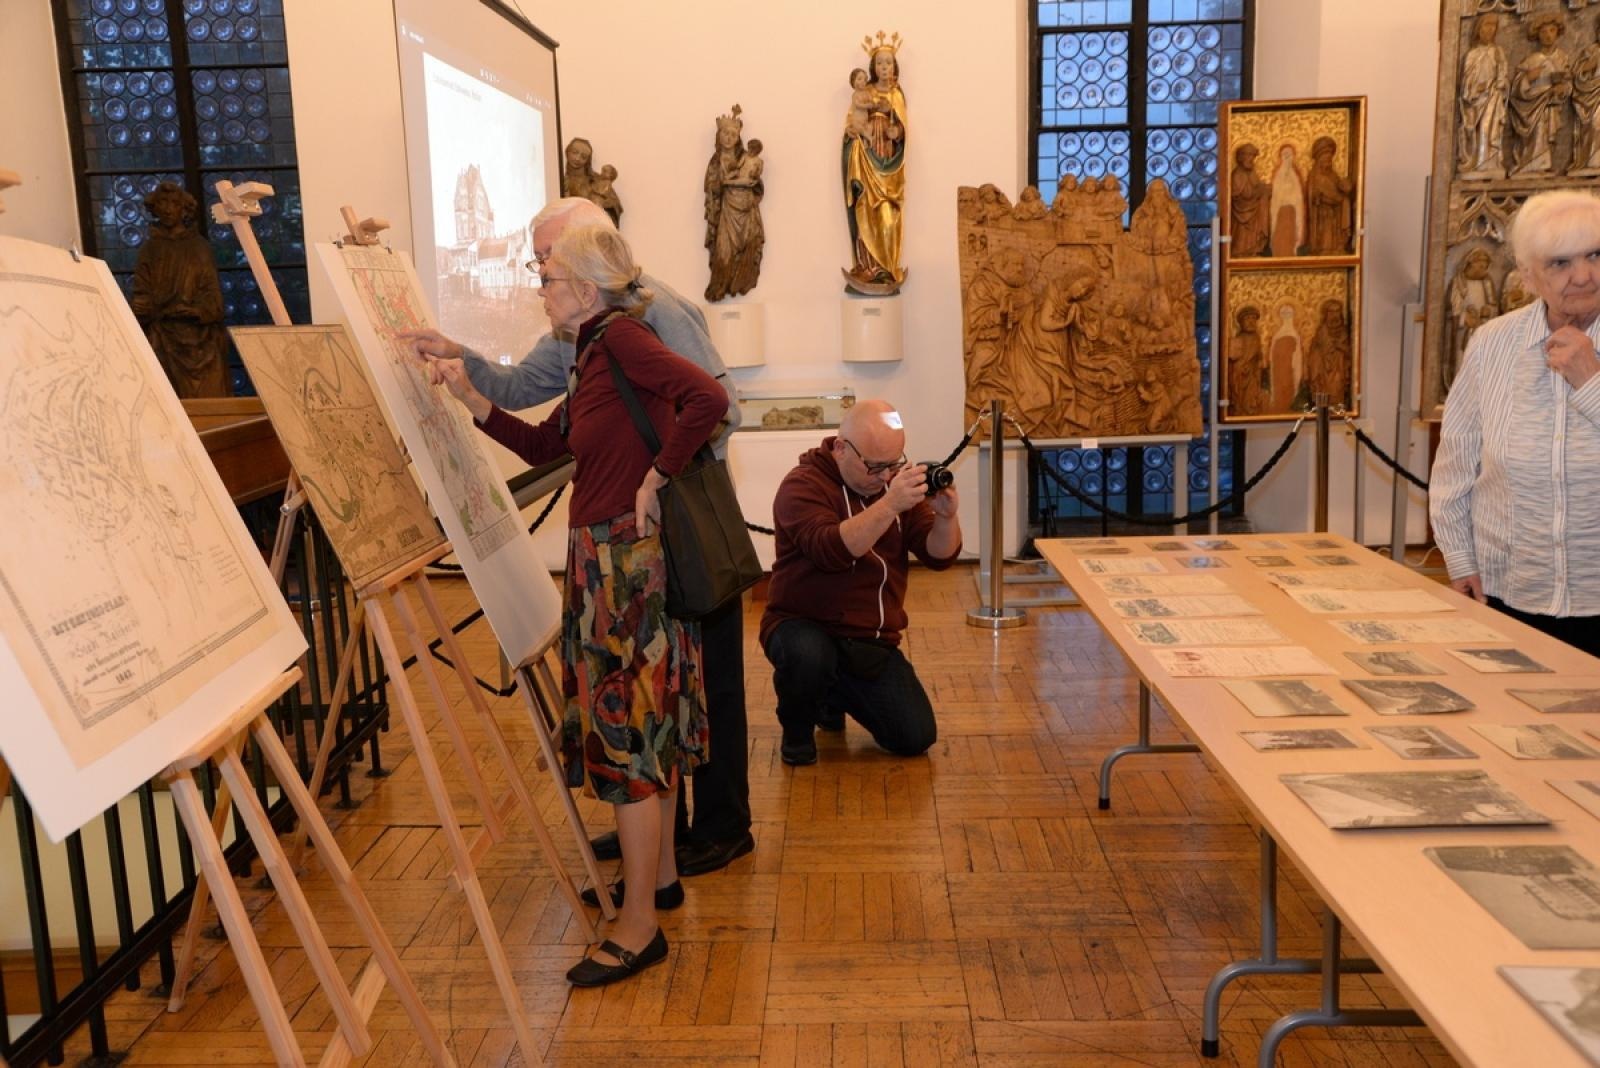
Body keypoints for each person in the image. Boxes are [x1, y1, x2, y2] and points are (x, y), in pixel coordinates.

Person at [401, 196, 755, 879]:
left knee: (699, 684)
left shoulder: (648, 318)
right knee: (660, 694)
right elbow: (527, 401)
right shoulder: (584, 336)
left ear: (588, 266)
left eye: (544, 262)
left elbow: (720, 404)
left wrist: (657, 476)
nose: (537, 276)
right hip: (627, 544)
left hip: (673, 534)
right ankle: (651, 838)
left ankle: (720, 826)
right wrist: (461, 364)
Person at [1431, 189, 1600, 658]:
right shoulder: (1493, 343)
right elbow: (1457, 460)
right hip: (1511, 590)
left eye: (1594, 255)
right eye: (1560, 263)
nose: (1583, 276)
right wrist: (1459, 557)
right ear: (1527, 275)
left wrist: (1591, 380)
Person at [760, 400, 962, 766]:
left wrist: (946, 518)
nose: (885, 477)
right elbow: (832, 550)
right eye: (875, 466)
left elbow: (938, 557)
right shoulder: (801, 485)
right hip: (803, 625)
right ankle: (798, 728)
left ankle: (832, 695)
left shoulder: (894, 487)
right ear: (840, 449)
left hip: (869, 640)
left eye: (895, 464)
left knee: (915, 736)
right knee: (808, 656)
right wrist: (889, 506)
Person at [131, 180, 230, 398]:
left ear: (184, 208)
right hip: (164, 338)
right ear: (154, 208)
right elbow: (141, 295)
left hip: (202, 340)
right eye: (162, 203)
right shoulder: (150, 250)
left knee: (211, 404)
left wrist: (196, 311)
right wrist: (146, 313)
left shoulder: (199, 247)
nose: (167, 209)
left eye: (174, 203)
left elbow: (213, 297)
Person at [842, 36, 908, 292]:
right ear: (873, 67)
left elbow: (904, 130)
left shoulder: (897, 95)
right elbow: (852, 125)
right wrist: (853, 134)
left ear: (894, 67)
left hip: (889, 160)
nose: (884, 68)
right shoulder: (864, 93)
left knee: (888, 214)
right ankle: (868, 266)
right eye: (879, 63)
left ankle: (888, 267)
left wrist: (898, 133)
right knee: (865, 207)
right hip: (868, 155)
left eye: (888, 63)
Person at [704, 104, 765, 302]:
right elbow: (712, 187)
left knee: (749, 243)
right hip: (727, 212)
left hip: (746, 208)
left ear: (738, 137)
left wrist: (753, 182)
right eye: (724, 133)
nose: (728, 138)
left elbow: (756, 181)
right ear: (718, 136)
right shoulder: (715, 161)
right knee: (723, 249)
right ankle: (721, 285)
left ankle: (740, 281)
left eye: (732, 134)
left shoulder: (747, 157)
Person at [1509, 14, 1572, 177]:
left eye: (1552, 30)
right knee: (1536, 134)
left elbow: (1569, 82)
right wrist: (1528, 78)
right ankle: (1531, 166)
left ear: (1558, 33)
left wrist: (1563, 88)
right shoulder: (1531, 59)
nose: (1548, 35)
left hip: (1551, 106)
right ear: (1537, 35)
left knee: (1548, 135)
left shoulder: (1562, 57)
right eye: (1543, 32)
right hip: (1533, 106)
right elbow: (1516, 87)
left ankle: (1545, 165)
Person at [1457, 13, 1510, 179]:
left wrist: (1500, 85)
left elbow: (1503, 75)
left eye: (1493, 26)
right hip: (1476, 102)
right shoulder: (1472, 55)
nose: (1489, 30)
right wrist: (1475, 89)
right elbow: (1465, 86)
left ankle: (1489, 163)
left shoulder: (1497, 52)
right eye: (1486, 26)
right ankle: (1477, 161)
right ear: (1478, 29)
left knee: (1490, 130)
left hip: (1493, 98)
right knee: (1479, 131)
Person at [1304, 137, 1355, 256]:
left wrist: (1344, 190)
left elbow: (1341, 187)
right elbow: (1313, 194)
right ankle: (1324, 249)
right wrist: (1331, 198)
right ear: (1320, 159)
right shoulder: (1315, 175)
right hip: (1323, 212)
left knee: (1333, 232)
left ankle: (1337, 247)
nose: (1328, 160)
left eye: (1330, 158)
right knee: (1326, 234)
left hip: (1335, 211)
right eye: (1326, 157)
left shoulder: (1332, 174)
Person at [1229, 143, 1271, 257]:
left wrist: (1264, 189)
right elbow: (1239, 195)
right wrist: (1258, 192)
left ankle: (1254, 250)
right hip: (1242, 214)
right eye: (1249, 156)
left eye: (1253, 157)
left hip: (1254, 214)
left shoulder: (1252, 173)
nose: (1251, 160)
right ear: (1241, 157)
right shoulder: (1237, 174)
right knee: (1242, 236)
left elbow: (1255, 187)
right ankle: (1240, 252)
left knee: (1253, 234)